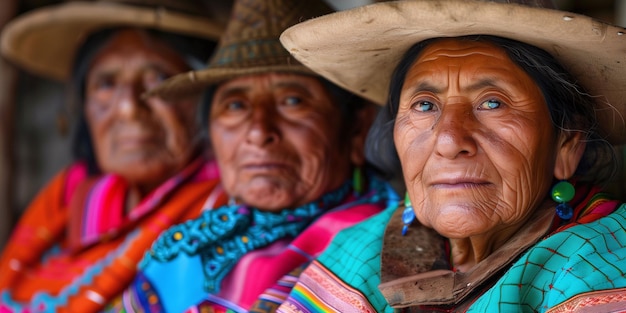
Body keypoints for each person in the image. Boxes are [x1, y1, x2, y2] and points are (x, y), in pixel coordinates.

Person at [277, 0, 626, 311]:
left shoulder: (600, 262)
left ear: (567, 143)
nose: (448, 140)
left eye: (492, 103)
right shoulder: (361, 249)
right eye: (425, 105)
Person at [108, 0, 399, 312]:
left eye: (292, 100)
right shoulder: (191, 247)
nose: (259, 131)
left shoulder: (381, 250)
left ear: (356, 129)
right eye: (235, 106)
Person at [0, 1, 229, 311]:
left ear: (207, 98)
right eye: (106, 84)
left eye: (159, 79)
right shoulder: (63, 200)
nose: (128, 108)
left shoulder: (227, 212)